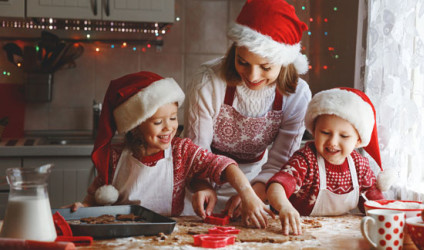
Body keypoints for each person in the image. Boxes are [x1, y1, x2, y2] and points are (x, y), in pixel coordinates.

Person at [66, 71, 273, 228]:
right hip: (122, 235)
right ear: (136, 126)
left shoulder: (181, 151)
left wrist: (248, 194)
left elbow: (223, 165)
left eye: (173, 118)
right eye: (158, 122)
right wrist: (81, 209)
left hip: (166, 236)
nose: (169, 128)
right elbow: (94, 197)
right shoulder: (115, 156)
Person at [183, 0, 312, 218]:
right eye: (243, 62)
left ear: (284, 61)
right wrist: (202, 186)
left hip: (258, 180)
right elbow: (197, 150)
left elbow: (281, 160)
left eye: (265, 67)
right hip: (201, 182)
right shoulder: (208, 82)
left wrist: (253, 193)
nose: (252, 76)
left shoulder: (297, 94)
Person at [266, 87, 393, 235]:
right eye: (325, 133)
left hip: (336, 234)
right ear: (314, 131)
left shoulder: (360, 167)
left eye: (344, 136)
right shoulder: (306, 160)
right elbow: (276, 186)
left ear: (358, 140)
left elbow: (375, 203)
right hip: (295, 231)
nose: (333, 142)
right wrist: (284, 207)